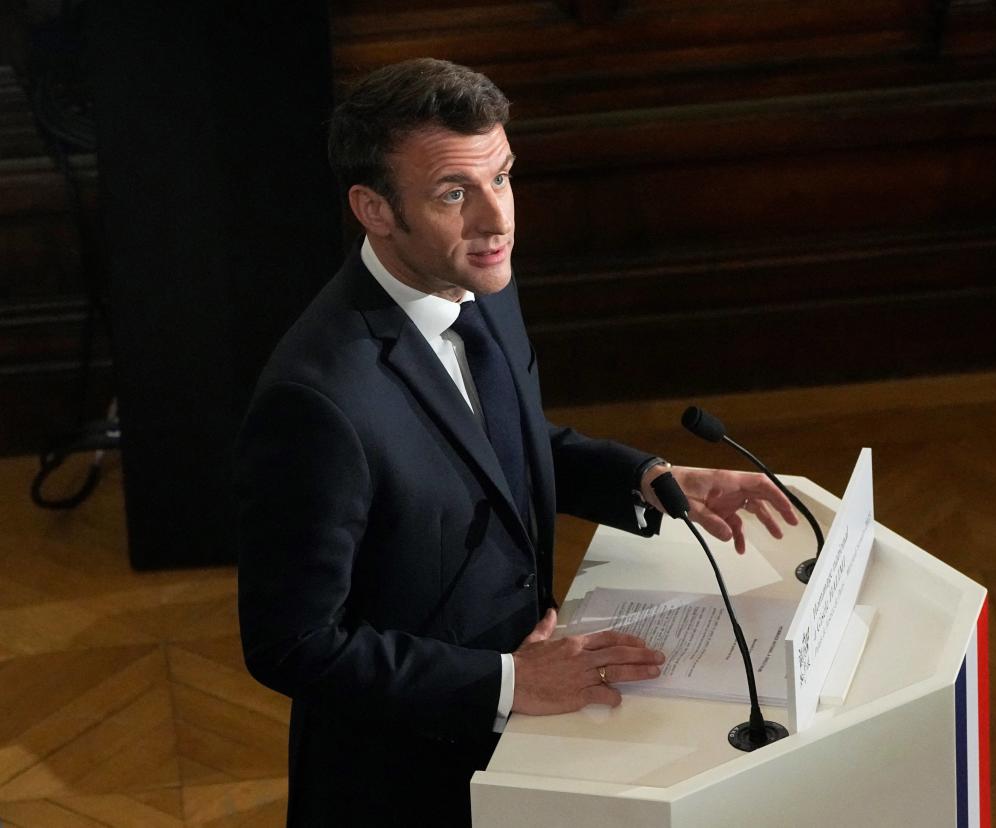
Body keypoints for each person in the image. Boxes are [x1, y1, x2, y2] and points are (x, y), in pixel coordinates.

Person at [234, 58, 797, 827]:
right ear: (374, 208)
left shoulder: (478, 284)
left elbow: (497, 450)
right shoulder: (318, 400)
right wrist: (505, 683)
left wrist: (649, 479)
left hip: (533, 729)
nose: (496, 220)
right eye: (454, 193)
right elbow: (292, 644)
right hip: (403, 778)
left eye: (502, 178)